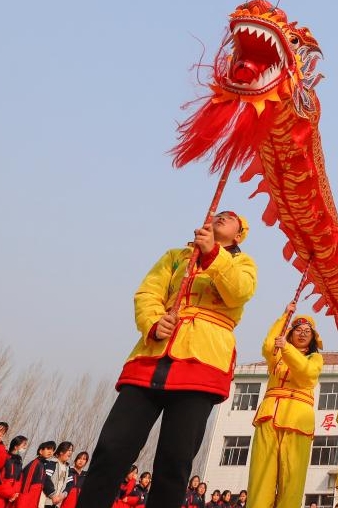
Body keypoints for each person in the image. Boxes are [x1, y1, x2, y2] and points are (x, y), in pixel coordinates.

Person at [79, 211, 257, 508]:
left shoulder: (243, 263)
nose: (223, 216)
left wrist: (213, 252)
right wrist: (153, 322)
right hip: (151, 358)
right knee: (112, 448)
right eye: (220, 213)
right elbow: (148, 293)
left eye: (231, 218)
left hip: (202, 363)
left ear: (238, 236)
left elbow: (238, 292)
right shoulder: (176, 256)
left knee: (174, 461)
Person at [248, 307, 323, 508]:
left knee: (292, 482)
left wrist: (287, 349)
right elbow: (267, 345)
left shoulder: (315, 358)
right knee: (260, 481)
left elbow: (306, 374)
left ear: (313, 339)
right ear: (289, 334)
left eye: (307, 331)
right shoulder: (277, 356)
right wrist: (284, 317)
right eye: (297, 330)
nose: (302, 334)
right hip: (269, 417)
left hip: (298, 423)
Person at [0, 436, 27, 508]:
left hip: (10, 499)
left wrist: (16, 494)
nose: (25, 447)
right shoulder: (5, 458)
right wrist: (10, 494)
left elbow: (18, 481)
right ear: (16, 446)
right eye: (24, 444)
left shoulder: (19, 462)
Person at [16, 442, 56, 508]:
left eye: (52, 450)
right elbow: (26, 484)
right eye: (48, 449)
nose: (50, 452)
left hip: (33, 502)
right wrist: (22, 504)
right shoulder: (35, 463)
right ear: (40, 451)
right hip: (26, 502)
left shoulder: (42, 465)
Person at [43, 442, 75, 507]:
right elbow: (46, 479)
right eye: (68, 450)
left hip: (58, 503)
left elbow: (70, 484)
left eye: (71, 450)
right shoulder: (52, 463)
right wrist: (53, 496)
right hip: (47, 501)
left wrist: (63, 495)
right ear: (61, 452)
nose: (70, 452)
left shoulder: (68, 469)